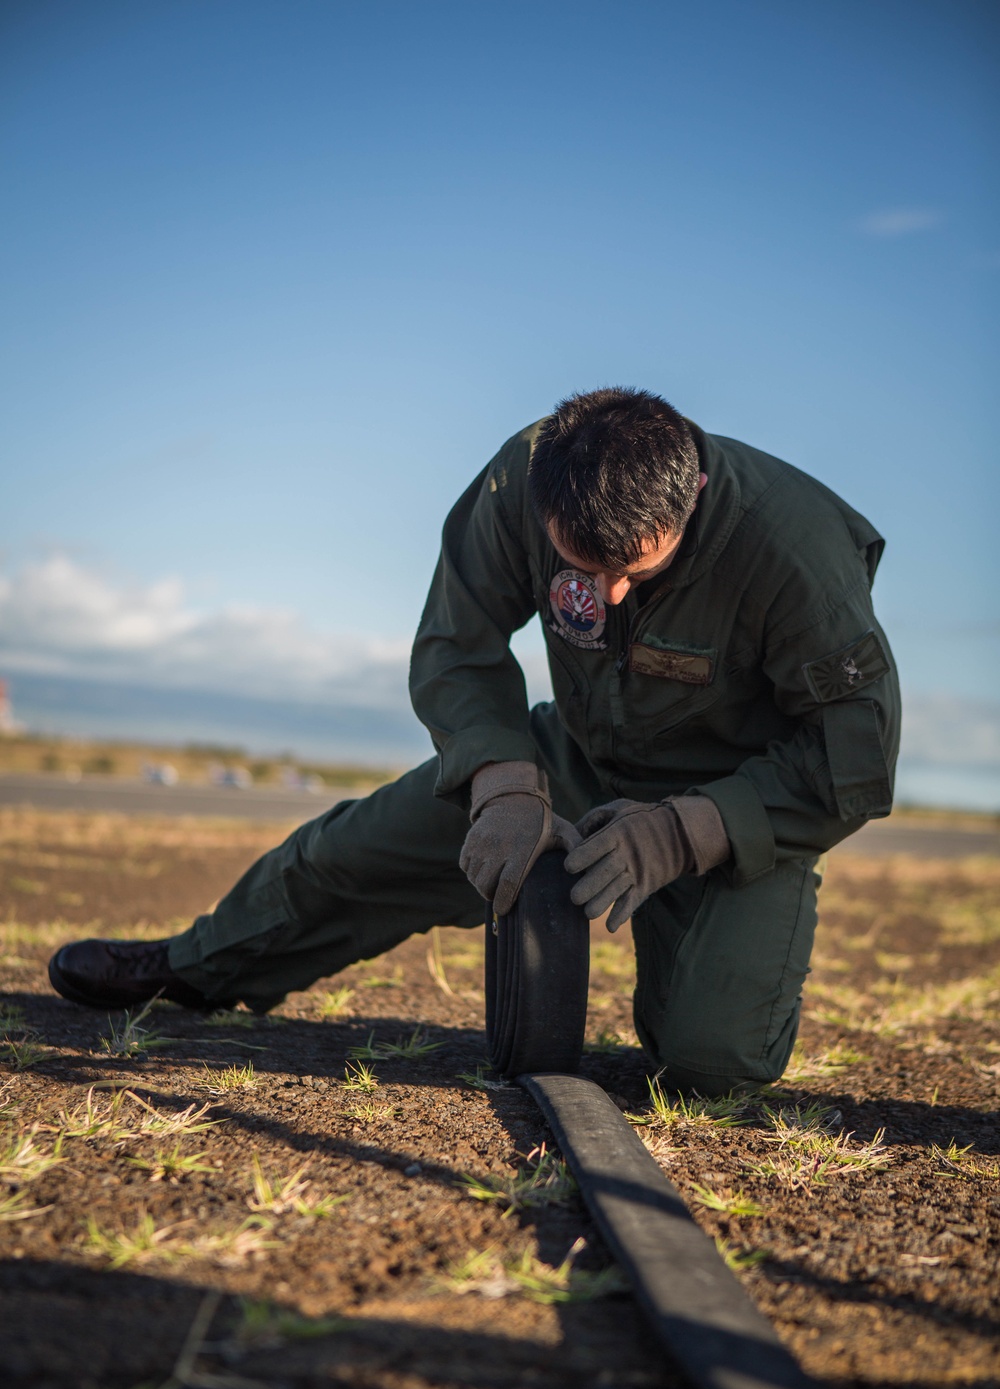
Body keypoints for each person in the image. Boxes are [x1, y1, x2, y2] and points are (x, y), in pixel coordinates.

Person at [48, 389, 900, 1096]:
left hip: (731, 803)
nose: (606, 592)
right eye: (583, 565)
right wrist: (500, 783)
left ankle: (705, 987)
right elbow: (457, 645)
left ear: (697, 490)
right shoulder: (519, 481)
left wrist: (684, 832)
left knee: (713, 1064)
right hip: (571, 755)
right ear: (546, 502)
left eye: (635, 573)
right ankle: (193, 967)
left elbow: (852, 758)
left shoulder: (793, 548)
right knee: (344, 854)